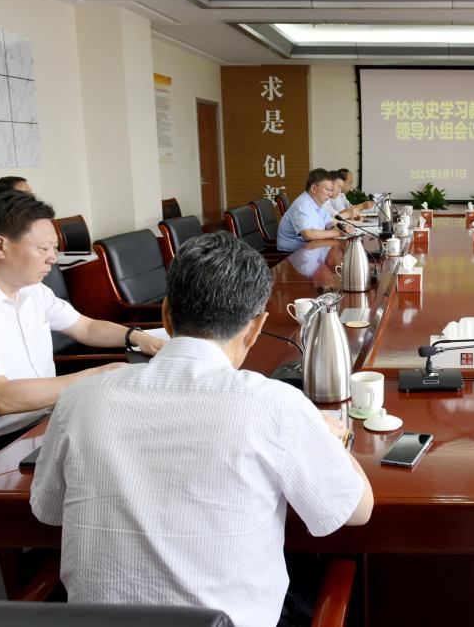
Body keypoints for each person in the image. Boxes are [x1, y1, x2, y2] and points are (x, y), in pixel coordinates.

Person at [30, 232, 373, 627]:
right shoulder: (275, 405)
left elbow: (47, 510)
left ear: (165, 315)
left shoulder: (78, 399)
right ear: (256, 328)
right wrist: (332, 436)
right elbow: (356, 512)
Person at [0, 191, 164, 452]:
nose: (53, 258)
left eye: (54, 248)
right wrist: (98, 375)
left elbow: (86, 327)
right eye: (43, 248)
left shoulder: (31, 288)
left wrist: (136, 337)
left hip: (43, 422)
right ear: (0, 247)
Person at [276, 168, 352, 252]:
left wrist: (339, 227)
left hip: (311, 247)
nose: (330, 194)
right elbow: (308, 234)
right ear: (314, 188)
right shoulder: (302, 204)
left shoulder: (319, 203)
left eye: (331, 190)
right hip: (292, 254)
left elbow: (328, 222)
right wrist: (338, 233)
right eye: (328, 190)